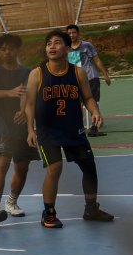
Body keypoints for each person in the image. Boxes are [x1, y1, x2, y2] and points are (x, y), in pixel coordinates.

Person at [25, 30, 115, 229]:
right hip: (48, 131)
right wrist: (30, 129)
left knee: (89, 167)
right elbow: (29, 103)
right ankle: (48, 213)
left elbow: (88, 97)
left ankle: (91, 208)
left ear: (67, 48)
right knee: (55, 168)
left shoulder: (77, 72)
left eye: (57, 43)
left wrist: (95, 111)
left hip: (73, 129)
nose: (52, 47)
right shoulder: (37, 73)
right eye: (49, 43)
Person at [0, 34, 36, 226]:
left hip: (22, 127)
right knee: (2, 164)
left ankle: (11, 201)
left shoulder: (27, 72)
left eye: (11, 48)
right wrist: (8, 92)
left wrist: (23, 111)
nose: (7, 51)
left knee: (22, 168)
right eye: (3, 48)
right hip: (1, 126)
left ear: (17, 51)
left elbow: (26, 92)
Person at [65, 24, 111, 137]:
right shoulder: (65, 48)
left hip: (90, 77)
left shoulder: (87, 45)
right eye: (69, 33)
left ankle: (94, 126)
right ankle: (79, 125)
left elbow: (97, 60)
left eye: (74, 33)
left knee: (93, 101)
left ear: (78, 33)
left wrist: (105, 74)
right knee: (76, 103)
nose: (72, 35)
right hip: (75, 79)